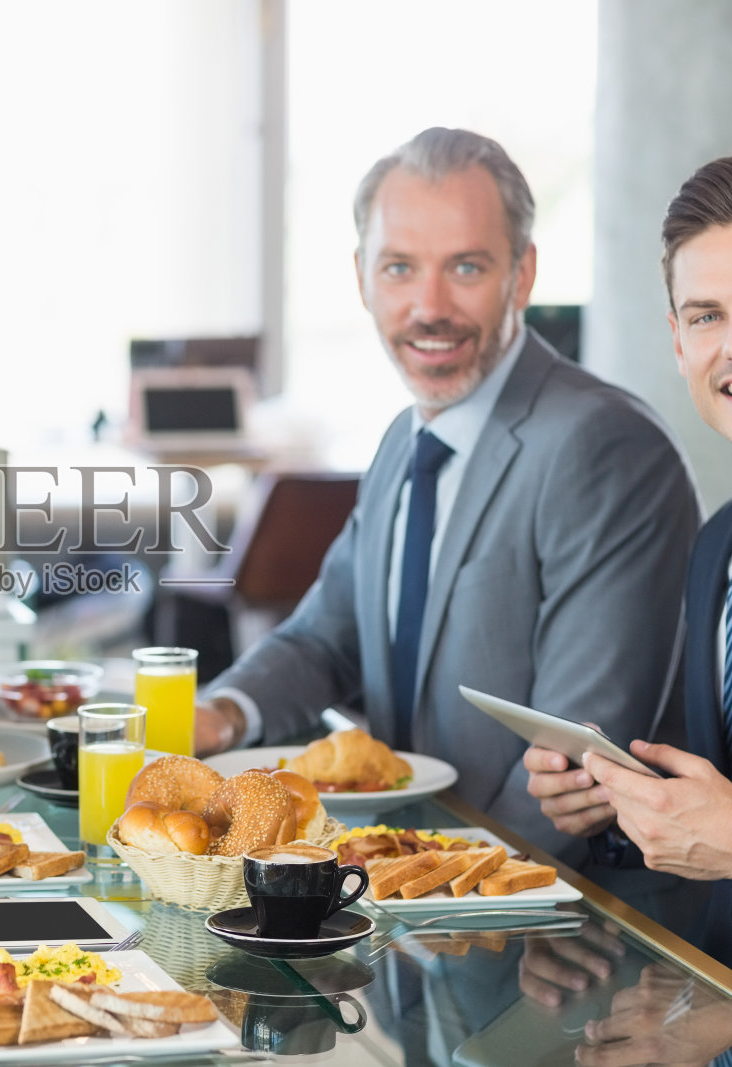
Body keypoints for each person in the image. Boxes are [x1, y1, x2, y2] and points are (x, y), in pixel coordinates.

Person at [194, 127, 702, 867]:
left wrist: (428, 883)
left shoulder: (606, 448)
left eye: (466, 266)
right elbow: (325, 637)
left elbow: (571, 756)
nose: (429, 307)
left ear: (521, 276)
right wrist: (219, 713)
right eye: (399, 267)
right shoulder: (407, 438)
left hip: (550, 923)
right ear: (362, 277)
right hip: (416, 899)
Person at [525, 153, 732, 1049]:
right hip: (718, 1018)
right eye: (708, 315)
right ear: (677, 341)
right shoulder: (720, 543)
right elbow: (726, 806)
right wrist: (617, 814)